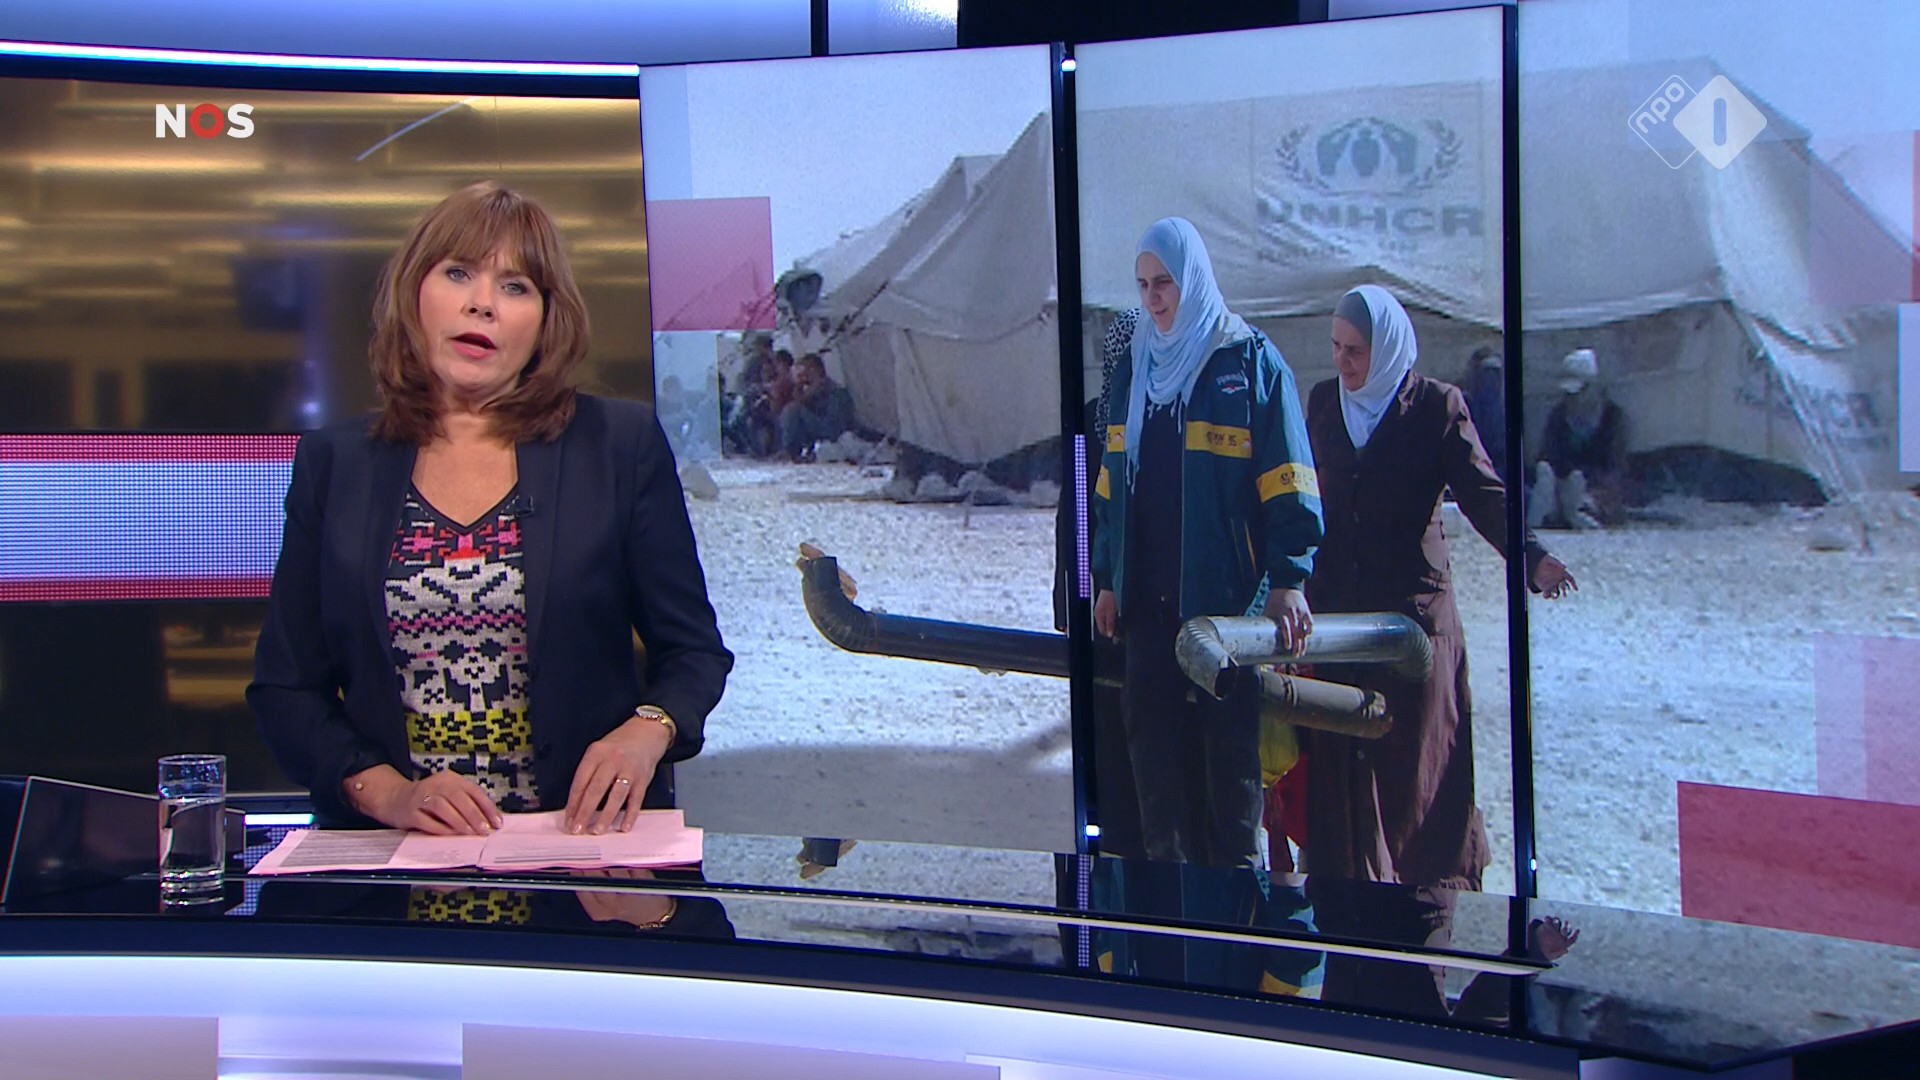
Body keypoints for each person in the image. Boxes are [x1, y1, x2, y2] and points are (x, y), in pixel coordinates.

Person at [248, 180, 732, 838]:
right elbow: (286, 689)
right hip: (397, 857)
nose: (483, 303)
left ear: (546, 320)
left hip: (581, 850)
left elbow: (694, 654)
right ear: (414, 294)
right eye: (458, 274)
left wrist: (647, 731)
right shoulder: (335, 464)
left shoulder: (618, 446)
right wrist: (389, 795)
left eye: (515, 286)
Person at [1304, 285, 1574, 889]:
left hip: (1413, 624)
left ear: (1387, 348)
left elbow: (1484, 494)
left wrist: (1531, 557)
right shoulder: (1323, 403)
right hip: (1339, 620)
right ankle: (1347, 904)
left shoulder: (1436, 407)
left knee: (1416, 774)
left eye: (1355, 350)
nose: (1342, 362)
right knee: (1342, 777)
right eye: (1336, 347)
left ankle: (1427, 908)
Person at [1090, 217, 1324, 869]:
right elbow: (1111, 484)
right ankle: (1168, 894)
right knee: (1154, 760)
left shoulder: (1247, 360)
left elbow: (1289, 477)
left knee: (1231, 767)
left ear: (1192, 280)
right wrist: (1109, 577)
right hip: (1147, 602)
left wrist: (1288, 579)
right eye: (1143, 285)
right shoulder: (1136, 367)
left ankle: (1237, 899)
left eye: (1164, 283)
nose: (1153, 298)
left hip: (1226, 606)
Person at [1530, 347, 1628, 530]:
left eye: (1578, 392)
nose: (1572, 398)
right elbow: (1547, 454)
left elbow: (1614, 466)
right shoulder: (1559, 416)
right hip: (1562, 488)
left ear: (1592, 387)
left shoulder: (1612, 418)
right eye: (1568, 394)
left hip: (1596, 491)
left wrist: (1588, 486)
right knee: (1544, 476)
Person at [778, 352, 855, 462]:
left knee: (792, 410)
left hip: (834, 431)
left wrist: (805, 399)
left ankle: (790, 452)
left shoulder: (835, 392)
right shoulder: (811, 391)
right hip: (822, 431)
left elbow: (834, 426)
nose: (805, 376)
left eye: (808, 370)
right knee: (790, 411)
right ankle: (793, 451)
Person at [1463, 345, 1507, 484]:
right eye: (1486, 373)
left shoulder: (1504, 410)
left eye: (1495, 373)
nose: (1491, 380)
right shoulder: (1463, 404)